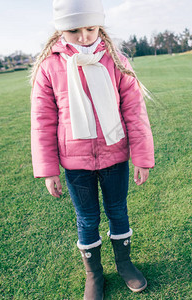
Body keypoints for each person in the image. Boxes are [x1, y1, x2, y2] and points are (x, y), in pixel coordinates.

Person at [30, 0, 154, 298]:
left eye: (90, 28)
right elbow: (42, 121)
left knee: (118, 211)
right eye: (74, 31)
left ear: (99, 25)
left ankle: (124, 265)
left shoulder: (116, 60)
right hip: (75, 163)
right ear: (61, 29)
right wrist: (49, 171)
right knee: (87, 219)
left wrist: (142, 157)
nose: (84, 36)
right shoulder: (50, 66)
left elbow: (134, 112)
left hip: (115, 156)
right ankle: (93, 275)